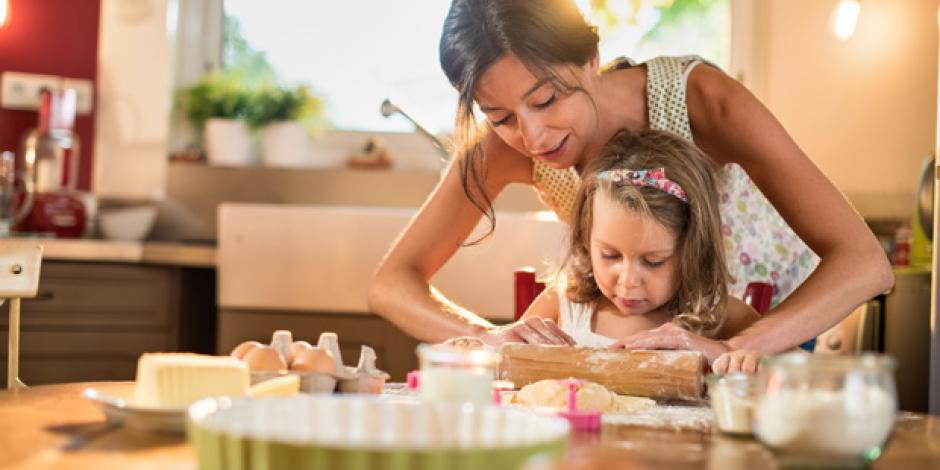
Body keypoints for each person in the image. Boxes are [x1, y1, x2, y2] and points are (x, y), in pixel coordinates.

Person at [368, 0, 892, 373]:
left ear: (589, 60)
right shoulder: (506, 145)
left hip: (763, 329)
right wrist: (487, 340)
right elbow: (391, 282)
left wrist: (736, 347)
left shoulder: (704, 100)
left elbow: (864, 263)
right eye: (500, 115)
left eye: (547, 100)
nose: (531, 135)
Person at [522, 129, 760, 355]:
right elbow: (503, 368)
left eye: (653, 261)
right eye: (609, 255)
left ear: (693, 250)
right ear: (587, 239)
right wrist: (496, 342)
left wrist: (722, 353)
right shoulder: (563, 306)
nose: (627, 282)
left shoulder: (722, 316)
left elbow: (789, 374)